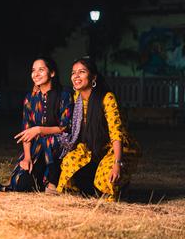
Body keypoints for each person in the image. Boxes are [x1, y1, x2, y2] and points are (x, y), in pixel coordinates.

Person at [57, 56, 140, 201]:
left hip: (115, 149)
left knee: (108, 177)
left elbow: (116, 133)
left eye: (81, 72)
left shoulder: (106, 98)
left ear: (93, 77)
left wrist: (117, 163)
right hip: (92, 147)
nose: (76, 76)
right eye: (73, 72)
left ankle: (121, 185)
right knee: (70, 164)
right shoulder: (77, 97)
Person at [0, 57, 73, 193]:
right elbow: (26, 130)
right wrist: (27, 157)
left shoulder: (64, 94)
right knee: (21, 184)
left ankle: (53, 181)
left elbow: (65, 127)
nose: (36, 74)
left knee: (49, 140)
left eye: (41, 70)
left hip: (58, 147)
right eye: (33, 70)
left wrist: (39, 130)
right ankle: (42, 180)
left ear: (52, 73)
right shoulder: (30, 98)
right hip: (37, 147)